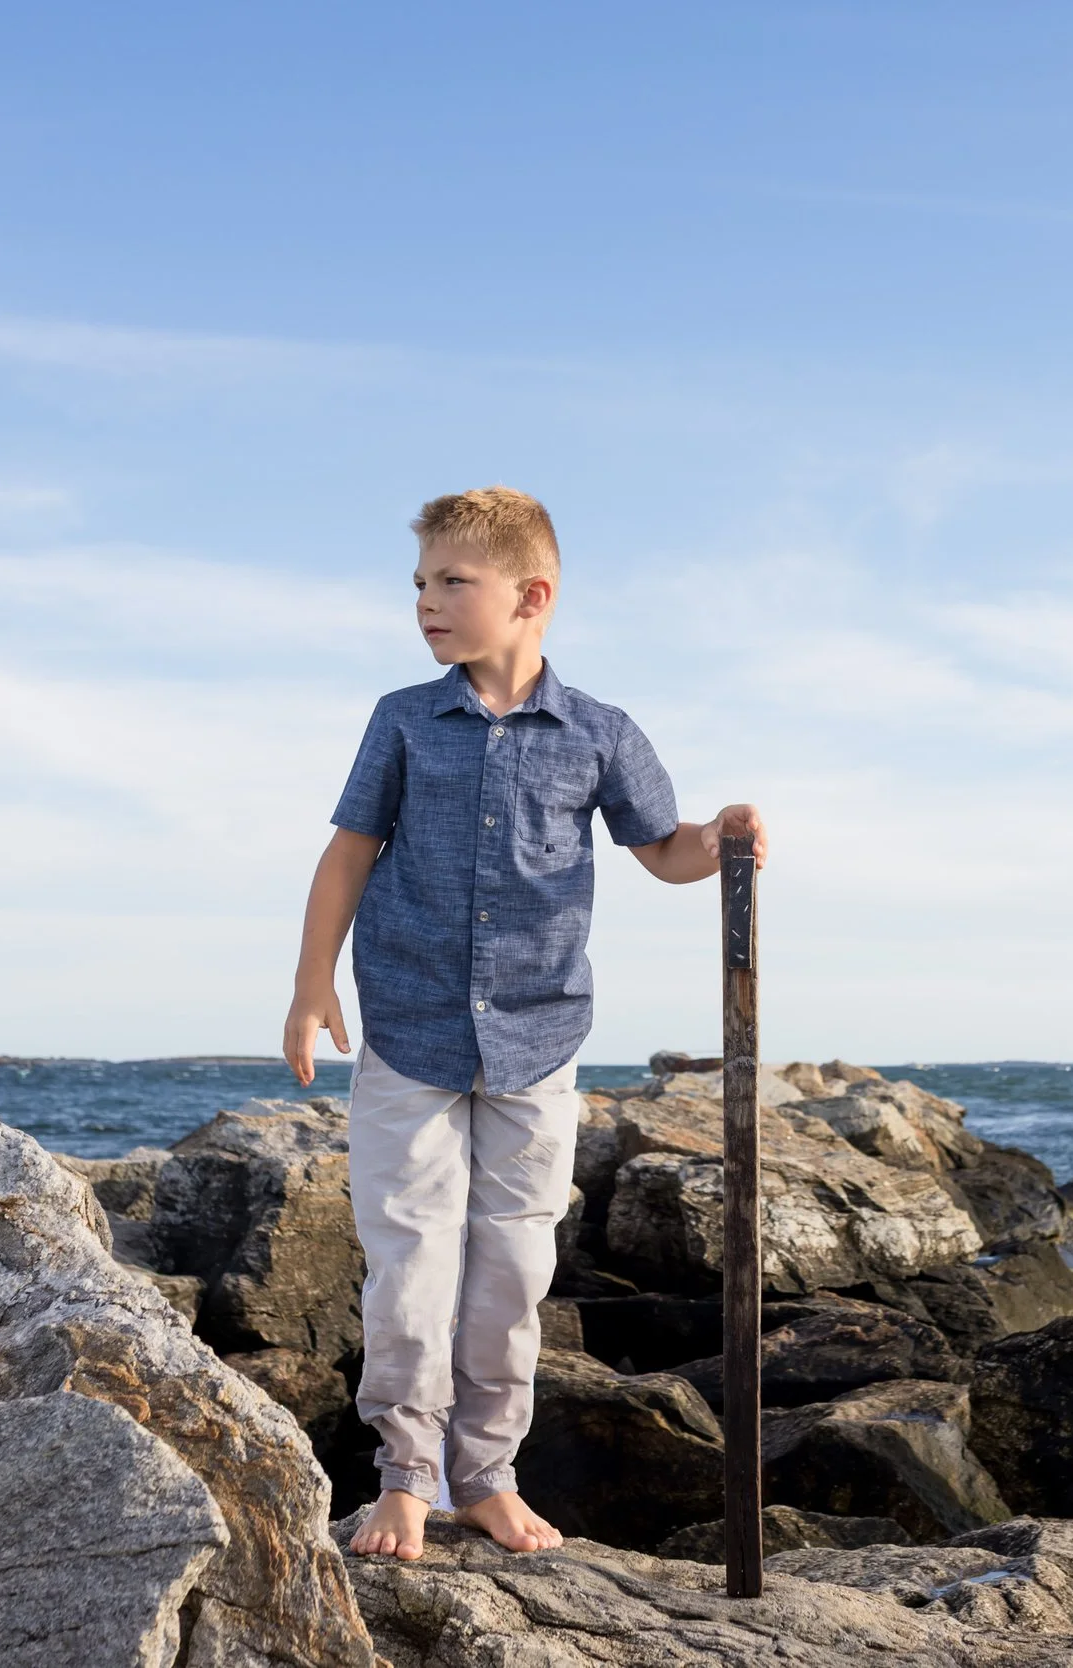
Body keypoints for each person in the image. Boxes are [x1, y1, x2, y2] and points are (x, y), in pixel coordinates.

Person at [283, 486, 766, 1560]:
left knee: (511, 1272)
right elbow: (349, 852)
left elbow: (665, 851)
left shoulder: (599, 733)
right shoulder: (403, 719)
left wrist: (720, 834)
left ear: (530, 596)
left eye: (453, 581)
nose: (427, 602)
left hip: (539, 1041)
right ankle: (405, 1479)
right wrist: (314, 983)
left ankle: (487, 1476)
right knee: (408, 1263)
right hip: (407, 1028)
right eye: (420, 582)